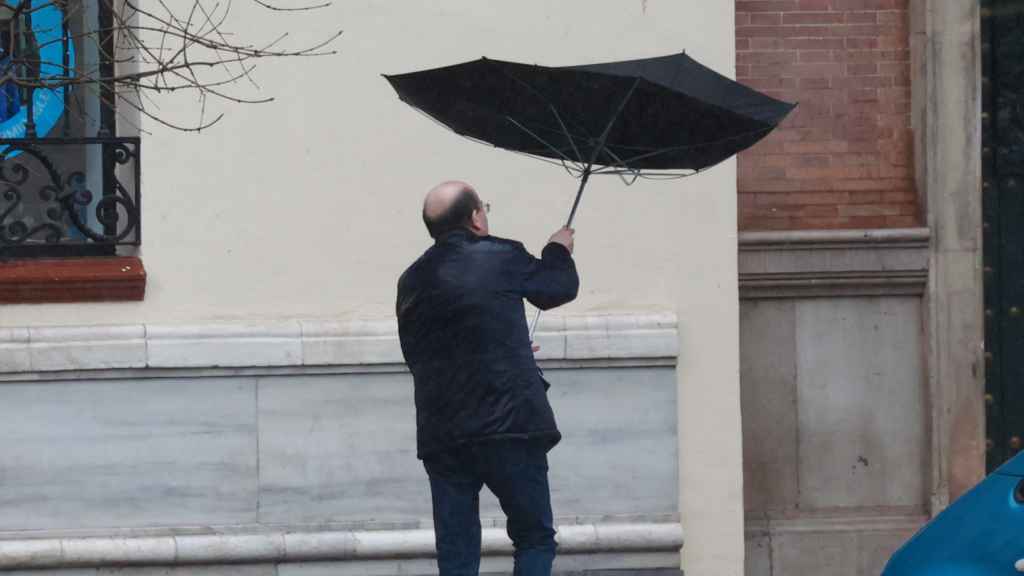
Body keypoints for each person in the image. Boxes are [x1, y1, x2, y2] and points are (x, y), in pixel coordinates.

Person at [396, 180, 579, 576]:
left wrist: (506, 347)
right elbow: (557, 288)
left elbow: (418, 355)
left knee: (457, 555)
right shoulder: (501, 255)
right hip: (509, 424)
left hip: (443, 435)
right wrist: (557, 249)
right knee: (533, 538)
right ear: (476, 217)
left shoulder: (410, 280)